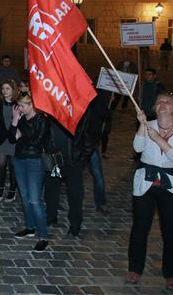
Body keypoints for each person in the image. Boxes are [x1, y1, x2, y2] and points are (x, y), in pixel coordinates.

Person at [126, 94, 173, 290]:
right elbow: (137, 147)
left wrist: (157, 139)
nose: (163, 104)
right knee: (140, 228)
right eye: (159, 102)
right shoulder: (148, 125)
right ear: (155, 108)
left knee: (171, 231)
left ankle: (172, 274)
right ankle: (135, 268)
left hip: (172, 187)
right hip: (145, 184)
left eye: (168, 102)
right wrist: (141, 126)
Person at [44, 92, 104, 237]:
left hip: (73, 158)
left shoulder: (83, 110)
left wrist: (82, 156)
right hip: (54, 155)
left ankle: (75, 223)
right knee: (51, 187)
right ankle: (51, 216)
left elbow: (92, 136)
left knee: (75, 192)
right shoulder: (53, 107)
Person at [8, 92, 53, 252]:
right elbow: (12, 138)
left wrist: (21, 136)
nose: (19, 108)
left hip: (35, 161)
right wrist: (14, 120)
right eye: (18, 105)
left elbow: (38, 141)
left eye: (21, 106)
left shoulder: (42, 120)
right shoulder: (20, 119)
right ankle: (29, 227)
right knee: (25, 197)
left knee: (35, 200)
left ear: (31, 105)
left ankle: (43, 236)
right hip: (19, 160)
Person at [0, 79, 18, 203]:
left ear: (13, 89)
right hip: (2, 139)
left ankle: (12, 191)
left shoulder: (18, 104)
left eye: (7, 88)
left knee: (13, 167)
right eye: (3, 89)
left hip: (14, 140)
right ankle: (0, 188)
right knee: (1, 165)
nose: (5, 91)